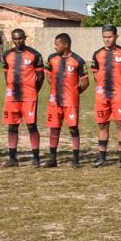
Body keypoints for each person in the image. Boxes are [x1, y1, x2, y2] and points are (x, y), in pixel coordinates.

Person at [90, 25, 121, 167]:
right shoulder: (97, 54)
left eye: (109, 37)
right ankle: (101, 157)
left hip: (119, 95)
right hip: (102, 95)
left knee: (120, 124)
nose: (107, 40)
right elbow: (95, 72)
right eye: (104, 37)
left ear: (116, 36)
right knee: (102, 125)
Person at [1, 27, 45, 167]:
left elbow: (40, 77)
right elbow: (6, 75)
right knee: (12, 126)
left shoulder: (34, 55)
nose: (17, 41)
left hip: (29, 96)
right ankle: (13, 158)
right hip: (12, 96)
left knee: (31, 126)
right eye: (15, 39)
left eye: (20, 38)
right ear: (12, 39)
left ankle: (36, 158)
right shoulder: (7, 54)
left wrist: (33, 90)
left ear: (25, 38)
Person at [43, 33, 87, 168]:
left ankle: (75, 159)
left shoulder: (78, 60)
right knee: (54, 128)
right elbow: (48, 77)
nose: (55, 47)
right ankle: (52, 158)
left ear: (66, 44)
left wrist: (74, 92)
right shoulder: (51, 59)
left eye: (57, 44)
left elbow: (85, 82)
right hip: (54, 101)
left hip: (71, 102)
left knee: (73, 128)